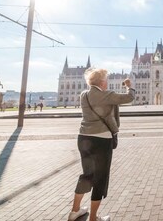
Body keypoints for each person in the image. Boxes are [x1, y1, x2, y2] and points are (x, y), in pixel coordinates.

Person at [68, 68, 135, 221]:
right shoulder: (106, 95)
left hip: (83, 138)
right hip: (101, 140)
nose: (108, 82)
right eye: (106, 79)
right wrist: (129, 86)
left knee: (87, 175)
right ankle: (93, 218)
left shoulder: (83, 95)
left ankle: (74, 211)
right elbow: (129, 97)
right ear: (103, 82)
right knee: (100, 178)